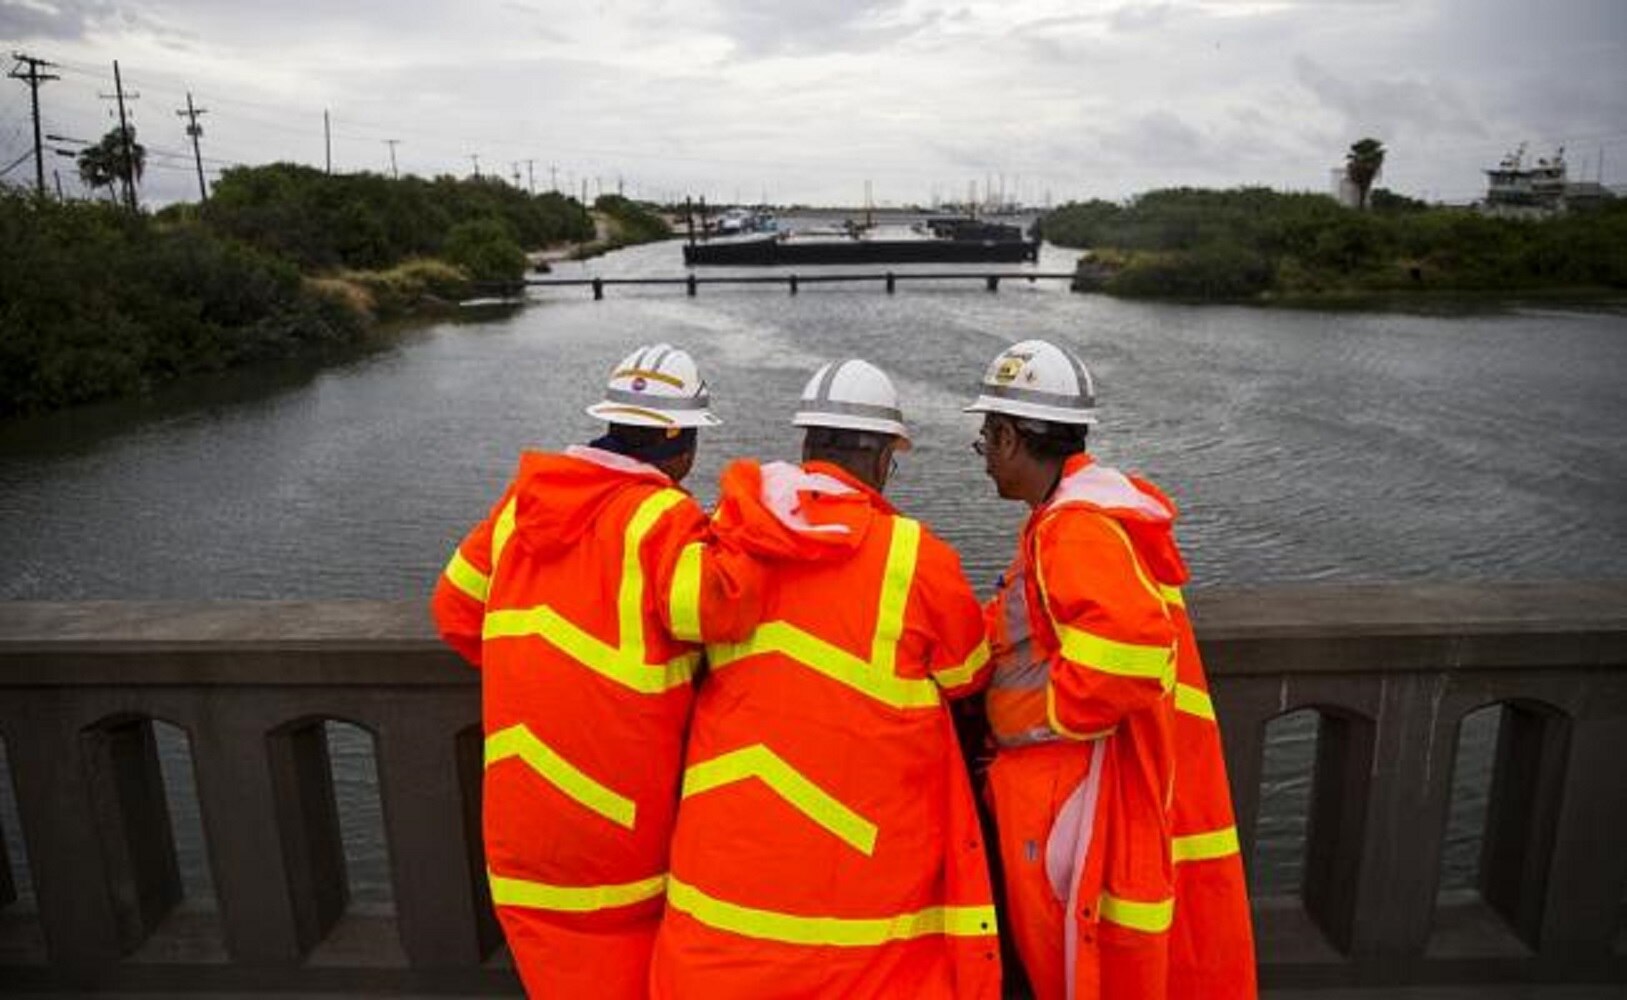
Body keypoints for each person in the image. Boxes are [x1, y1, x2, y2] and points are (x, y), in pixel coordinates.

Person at [649, 358, 1002, 1000]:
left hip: (728, 876)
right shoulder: (914, 557)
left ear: (807, 444)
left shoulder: (732, 530)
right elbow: (968, 672)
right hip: (863, 880)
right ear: (884, 458)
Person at [430, 343, 762, 999]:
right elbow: (720, 611)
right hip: (617, 826)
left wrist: (540, 671)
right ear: (681, 442)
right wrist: (747, 509)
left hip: (520, 817)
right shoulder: (661, 518)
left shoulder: (521, 504)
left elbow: (455, 610)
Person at [966, 340, 1256, 1000]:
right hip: (1081, 781)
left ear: (1010, 437)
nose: (982, 457)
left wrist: (1040, 721)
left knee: (1063, 964)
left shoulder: (1074, 530)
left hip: (1062, 787)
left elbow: (1128, 656)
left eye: (985, 439)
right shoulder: (1079, 517)